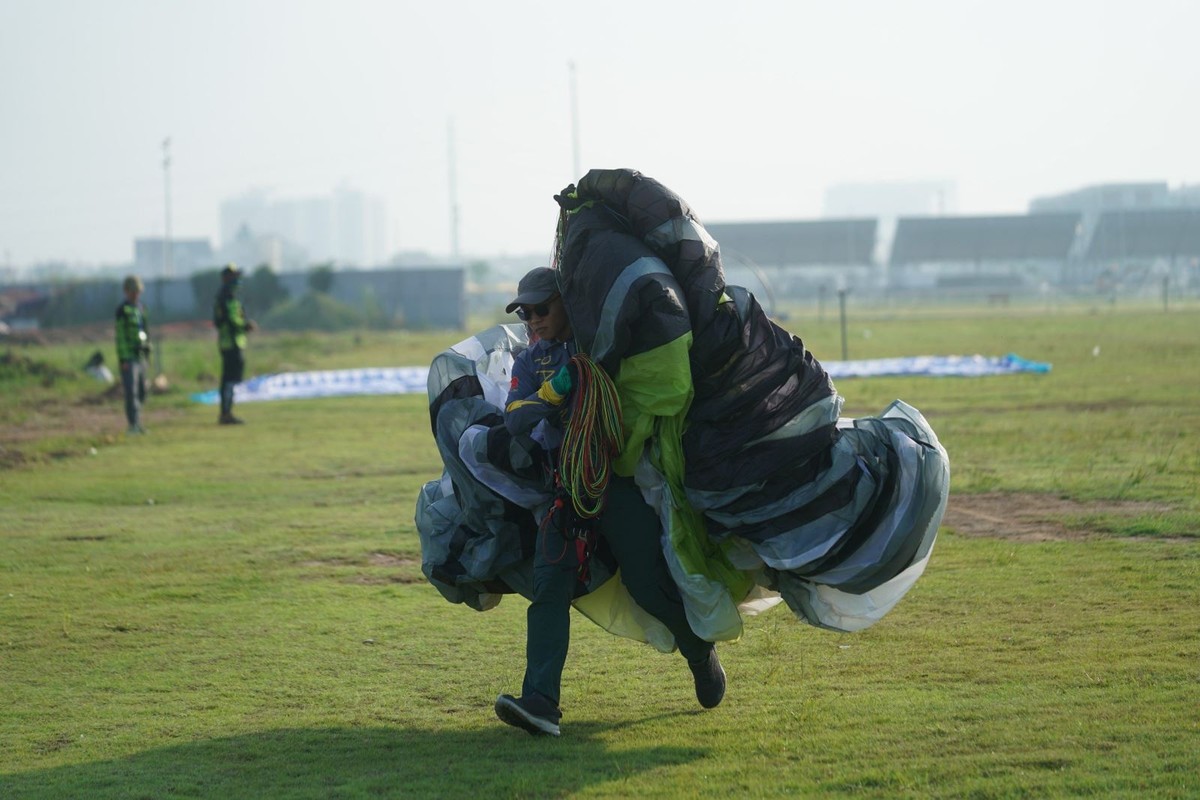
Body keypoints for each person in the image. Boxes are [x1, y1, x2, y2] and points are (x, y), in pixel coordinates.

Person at [493, 267, 726, 737]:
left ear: (565, 303)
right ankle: (540, 702)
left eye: (542, 308)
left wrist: (580, 378)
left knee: (646, 584)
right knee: (547, 591)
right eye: (525, 312)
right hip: (564, 493)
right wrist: (556, 389)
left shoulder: (600, 343)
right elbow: (515, 420)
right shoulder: (528, 363)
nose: (533, 319)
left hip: (615, 484)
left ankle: (699, 655)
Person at [213, 264, 256, 425]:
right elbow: (227, 322)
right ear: (226, 278)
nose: (237, 279)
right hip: (229, 344)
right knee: (229, 380)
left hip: (236, 343)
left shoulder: (232, 298)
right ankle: (225, 414)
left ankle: (227, 412)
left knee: (232, 379)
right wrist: (245, 326)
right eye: (233, 276)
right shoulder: (224, 298)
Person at [115, 275, 151, 434]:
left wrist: (147, 351)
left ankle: (137, 421)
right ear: (126, 291)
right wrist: (123, 358)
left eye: (137, 291)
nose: (136, 294)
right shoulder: (123, 310)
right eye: (132, 291)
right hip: (128, 357)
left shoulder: (141, 308)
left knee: (142, 391)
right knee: (131, 392)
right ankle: (133, 424)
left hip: (141, 356)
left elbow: (146, 330)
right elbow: (120, 336)